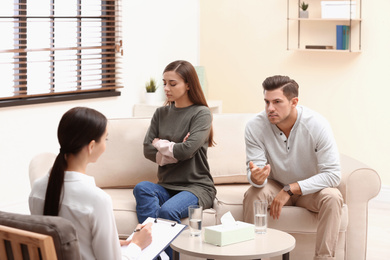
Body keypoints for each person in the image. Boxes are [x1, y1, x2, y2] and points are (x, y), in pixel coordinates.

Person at [29, 107, 152, 260]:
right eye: (105, 139)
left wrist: (112, 244)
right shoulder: (97, 199)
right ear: (92, 146)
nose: (105, 145)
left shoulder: (37, 188)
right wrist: (137, 245)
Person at [243, 75, 343, 260]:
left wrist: (290, 189)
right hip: (275, 184)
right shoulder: (254, 126)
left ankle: (324, 258)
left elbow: (333, 175)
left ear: (294, 102)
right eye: (266, 102)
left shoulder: (317, 125)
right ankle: (251, 256)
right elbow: (256, 172)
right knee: (253, 194)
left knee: (333, 197)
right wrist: (256, 178)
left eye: (277, 102)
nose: (270, 108)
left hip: (310, 190)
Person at [133, 60, 216, 258]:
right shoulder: (161, 113)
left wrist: (161, 145)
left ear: (188, 84)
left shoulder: (201, 113)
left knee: (168, 211)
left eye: (173, 83)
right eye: (164, 83)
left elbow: (187, 150)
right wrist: (174, 149)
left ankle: (160, 257)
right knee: (142, 187)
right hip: (167, 186)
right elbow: (147, 149)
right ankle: (156, 255)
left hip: (196, 187)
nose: (166, 88)